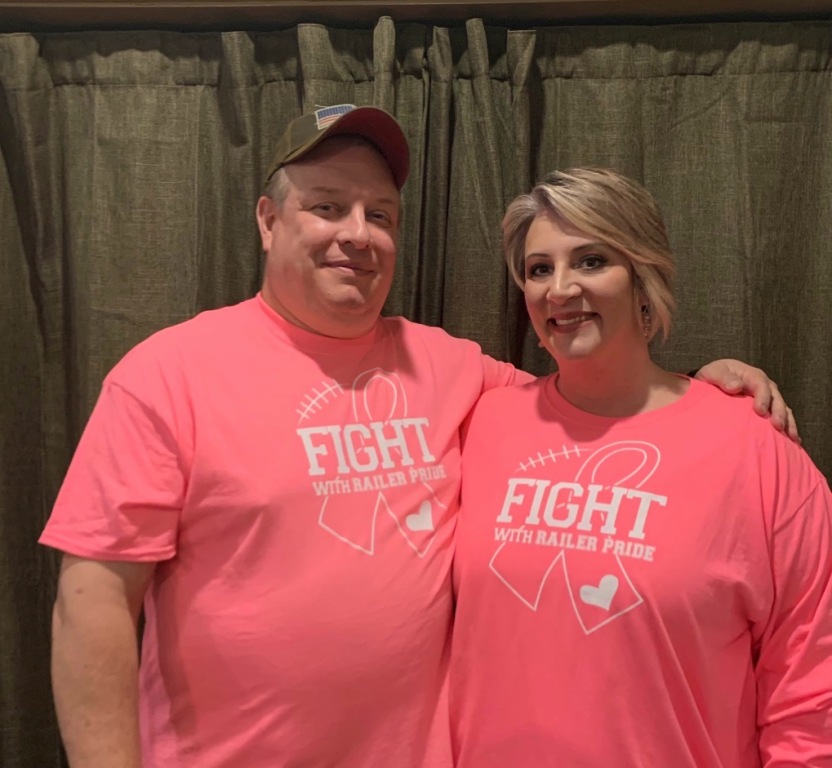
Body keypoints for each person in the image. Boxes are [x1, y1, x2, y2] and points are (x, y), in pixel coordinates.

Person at [40, 106, 796, 768]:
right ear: (268, 221)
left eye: (380, 214)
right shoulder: (168, 374)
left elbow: (592, 393)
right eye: (327, 207)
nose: (356, 234)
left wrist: (698, 384)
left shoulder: (450, 367)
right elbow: (92, 599)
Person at [450, 168, 832, 767]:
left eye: (591, 260)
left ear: (643, 278)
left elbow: (811, 689)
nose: (560, 289)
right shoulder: (481, 421)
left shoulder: (757, 450)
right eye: (539, 269)